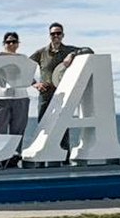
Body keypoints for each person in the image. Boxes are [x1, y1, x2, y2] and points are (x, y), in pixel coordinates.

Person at [29, 22, 93, 163]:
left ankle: (64, 158)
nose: (56, 36)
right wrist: (35, 84)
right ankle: (42, 158)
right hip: (46, 94)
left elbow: (89, 50)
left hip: (64, 93)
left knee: (62, 127)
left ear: (63, 35)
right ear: (49, 36)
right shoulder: (41, 53)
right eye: (53, 34)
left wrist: (72, 54)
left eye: (58, 33)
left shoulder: (68, 50)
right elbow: (24, 68)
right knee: (43, 126)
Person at [0, 30, 29, 168]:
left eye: (14, 42)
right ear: (4, 44)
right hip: (1, 97)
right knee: (0, 129)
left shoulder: (23, 57)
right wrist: (13, 57)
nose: (11, 44)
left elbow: (26, 69)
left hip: (21, 97)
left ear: (18, 44)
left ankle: (14, 157)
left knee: (18, 130)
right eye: (8, 42)